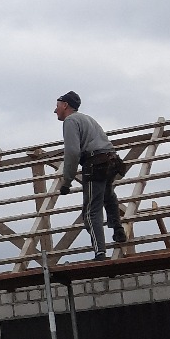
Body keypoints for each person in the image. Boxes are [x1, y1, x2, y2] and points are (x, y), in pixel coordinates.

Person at [54, 90, 127, 259]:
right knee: (108, 195)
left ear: (65, 105)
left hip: (95, 164)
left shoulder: (70, 121)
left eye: (57, 106)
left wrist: (67, 181)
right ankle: (118, 229)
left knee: (91, 211)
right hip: (111, 160)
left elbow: (72, 152)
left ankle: (100, 252)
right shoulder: (88, 119)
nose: (55, 110)